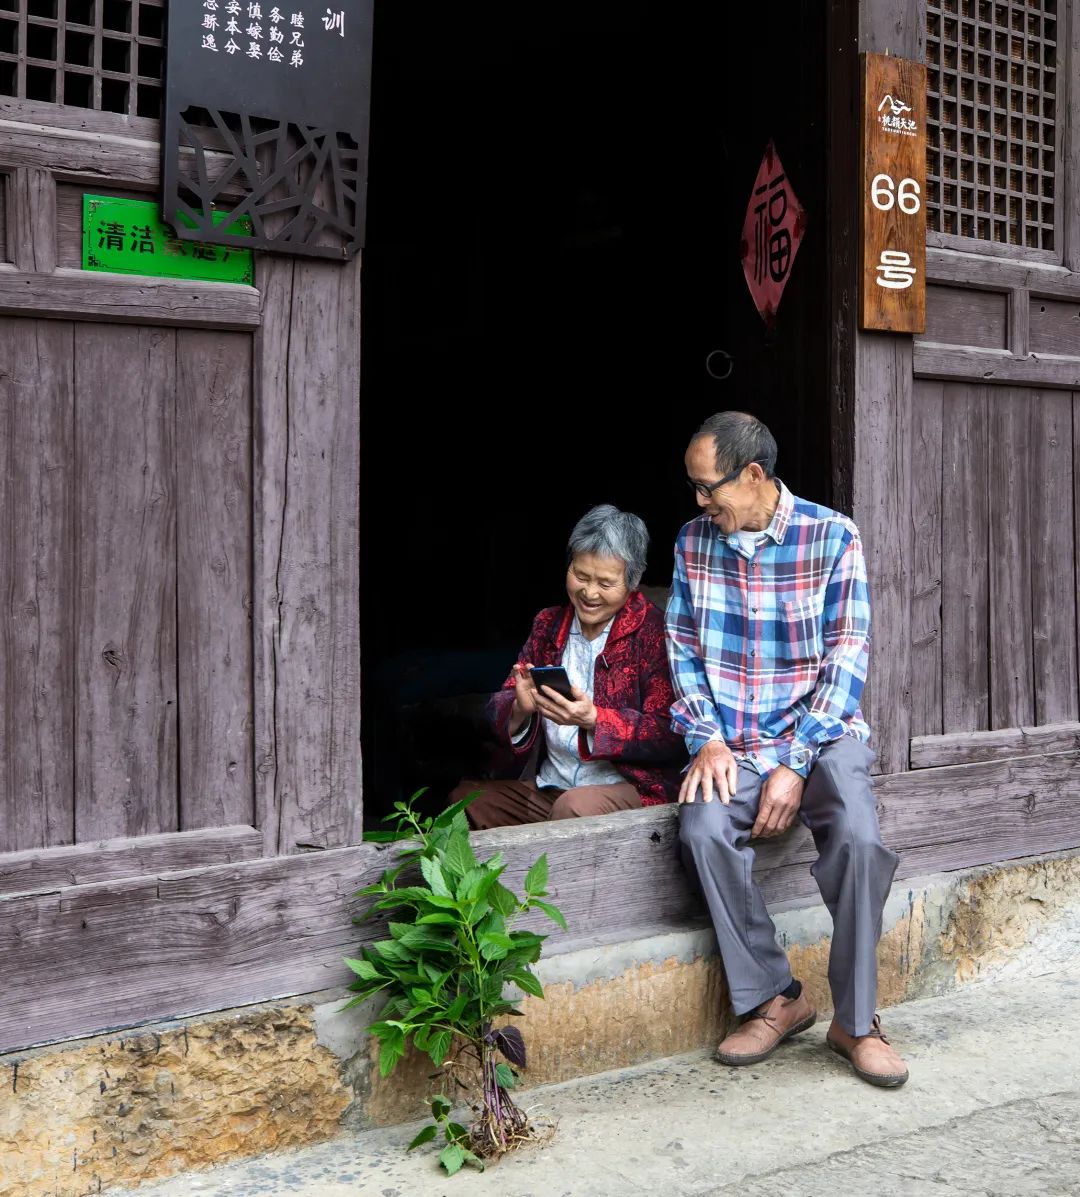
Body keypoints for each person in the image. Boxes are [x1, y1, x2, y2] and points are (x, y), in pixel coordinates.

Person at [667, 411, 908, 1088]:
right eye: (694, 488)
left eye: (707, 486)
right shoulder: (692, 543)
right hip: (736, 740)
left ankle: (855, 1022)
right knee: (702, 828)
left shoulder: (832, 536)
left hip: (820, 736)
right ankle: (776, 998)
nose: (699, 502)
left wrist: (795, 763)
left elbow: (847, 658)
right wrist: (706, 737)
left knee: (858, 837)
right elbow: (682, 652)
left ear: (753, 474)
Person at [453, 505, 685, 828]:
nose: (589, 592)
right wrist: (519, 708)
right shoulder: (548, 625)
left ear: (633, 582)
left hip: (629, 790)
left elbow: (671, 733)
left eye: (605, 583)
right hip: (551, 785)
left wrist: (596, 720)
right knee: (466, 802)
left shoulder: (654, 634)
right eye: (581, 575)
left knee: (573, 808)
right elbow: (499, 706)